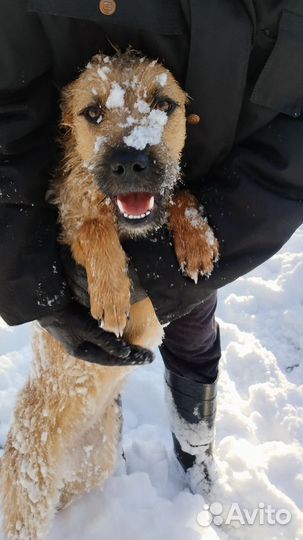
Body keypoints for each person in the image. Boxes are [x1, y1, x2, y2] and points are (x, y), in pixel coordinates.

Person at [0, 0, 302, 493]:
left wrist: (195, 228)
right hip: (78, 196)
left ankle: (195, 442)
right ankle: (104, 423)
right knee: (94, 349)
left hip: (210, 189)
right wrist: (28, 281)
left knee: (195, 330)